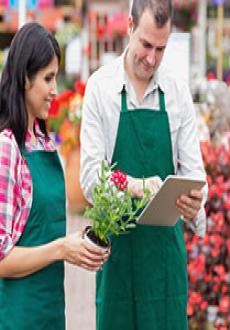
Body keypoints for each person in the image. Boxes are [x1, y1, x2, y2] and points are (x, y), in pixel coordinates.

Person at [80, 0, 208, 329]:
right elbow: (91, 180)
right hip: (117, 259)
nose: (151, 58)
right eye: (146, 45)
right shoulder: (100, 88)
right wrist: (139, 186)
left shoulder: (178, 92)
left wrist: (196, 204)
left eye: (161, 49)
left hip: (164, 263)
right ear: (130, 27)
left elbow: (195, 176)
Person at [0, 22, 108, 330]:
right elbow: (1, 259)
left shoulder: (44, 142)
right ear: (24, 79)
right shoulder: (7, 147)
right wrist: (61, 248)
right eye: (47, 78)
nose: (54, 89)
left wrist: (85, 244)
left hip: (51, 313)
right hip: (18, 317)